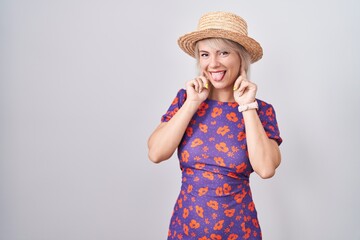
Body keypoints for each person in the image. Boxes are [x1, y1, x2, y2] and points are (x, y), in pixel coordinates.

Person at [148, 11, 282, 240]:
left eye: (224, 52)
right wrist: (192, 103)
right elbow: (156, 153)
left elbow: (266, 169)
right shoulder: (185, 99)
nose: (213, 63)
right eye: (205, 54)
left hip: (240, 232)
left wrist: (247, 106)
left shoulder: (261, 110)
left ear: (241, 57)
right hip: (185, 231)